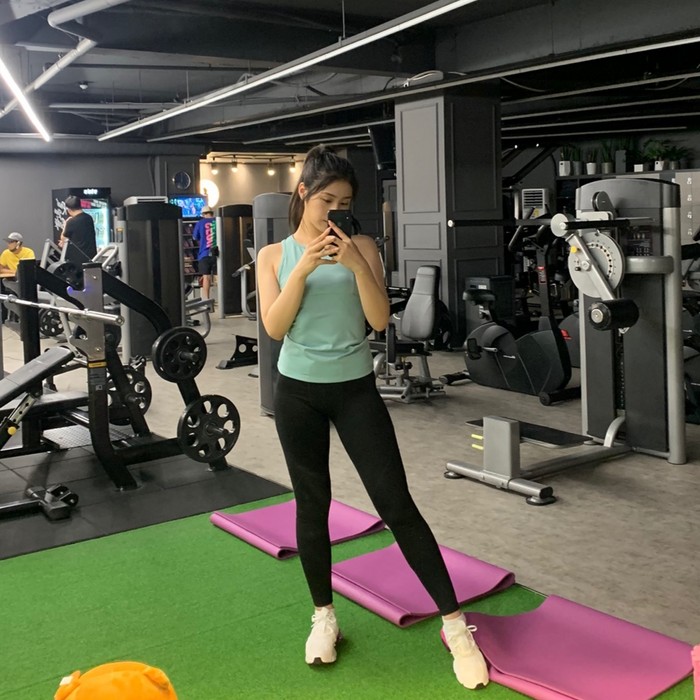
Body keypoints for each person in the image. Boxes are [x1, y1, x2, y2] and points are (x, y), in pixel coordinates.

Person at [256, 145, 490, 690]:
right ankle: (324, 617)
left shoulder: (362, 247)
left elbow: (380, 318)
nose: (334, 212)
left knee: (396, 503)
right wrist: (305, 266)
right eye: (326, 201)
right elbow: (274, 327)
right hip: (297, 393)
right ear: (303, 195)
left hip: (355, 390)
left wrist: (356, 262)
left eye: (344, 203)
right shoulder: (272, 255)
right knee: (312, 504)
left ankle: (456, 627)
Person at [60, 195, 97, 261]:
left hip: (77, 259)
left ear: (69, 210)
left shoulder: (71, 222)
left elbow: (63, 239)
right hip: (91, 257)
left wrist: (65, 224)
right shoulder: (89, 218)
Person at [191, 205, 217, 299]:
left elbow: (195, 237)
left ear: (203, 214)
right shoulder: (217, 221)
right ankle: (222, 299)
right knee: (218, 277)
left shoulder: (200, 223)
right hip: (217, 254)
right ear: (212, 213)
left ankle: (206, 300)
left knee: (206, 277)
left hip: (204, 254)